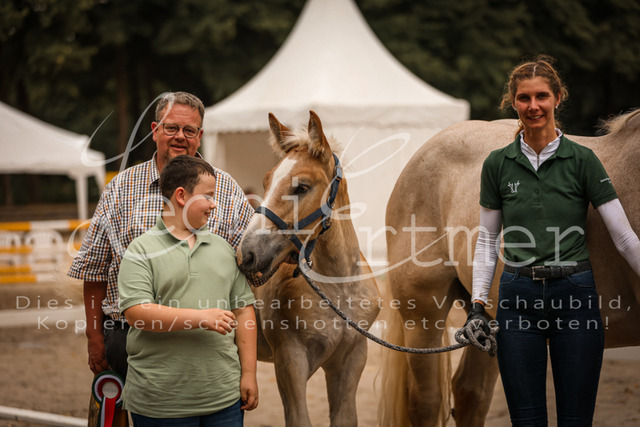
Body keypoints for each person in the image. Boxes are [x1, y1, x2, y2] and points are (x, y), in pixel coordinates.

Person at [465, 55, 640, 425]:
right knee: (526, 420)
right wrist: (478, 305)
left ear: (558, 98)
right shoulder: (497, 164)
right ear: (513, 102)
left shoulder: (584, 160)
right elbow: (487, 240)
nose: (534, 106)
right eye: (524, 98)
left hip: (575, 295)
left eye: (541, 96)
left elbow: (624, 237)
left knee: (576, 420)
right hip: (517, 297)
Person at [68, 91, 261, 380]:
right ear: (155, 130)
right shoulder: (120, 188)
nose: (180, 136)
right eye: (171, 128)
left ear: (200, 136)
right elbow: (94, 269)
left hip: (209, 338)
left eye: (189, 130)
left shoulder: (227, 189)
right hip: (128, 335)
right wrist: (94, 336)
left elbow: (251, 265)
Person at [118, 155, 257, 425]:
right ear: (182, 196)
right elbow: (136, 313)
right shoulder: (141, 250)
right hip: (160, 403)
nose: (214, 204)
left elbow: (243, 311)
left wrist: (249, 374)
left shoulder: (223, 248)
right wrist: (201, 318)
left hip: (225, 399)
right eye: (208, 196)